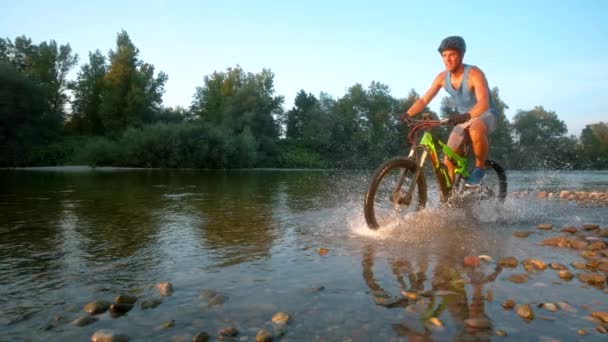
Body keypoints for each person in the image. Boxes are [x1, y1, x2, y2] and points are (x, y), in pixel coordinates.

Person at [404, 36, 498, 185]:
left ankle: (480, 168)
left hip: (485, 114)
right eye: (444, 56)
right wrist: (408, 113)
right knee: (449, 159)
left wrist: (468, 115)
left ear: (461, 55)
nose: (447, 60)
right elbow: (424, 100)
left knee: (475, 128)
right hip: (463, 119)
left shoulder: (474, 73)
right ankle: (449, 199)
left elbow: (484, 103)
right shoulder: (442, 77)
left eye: (452, 55)